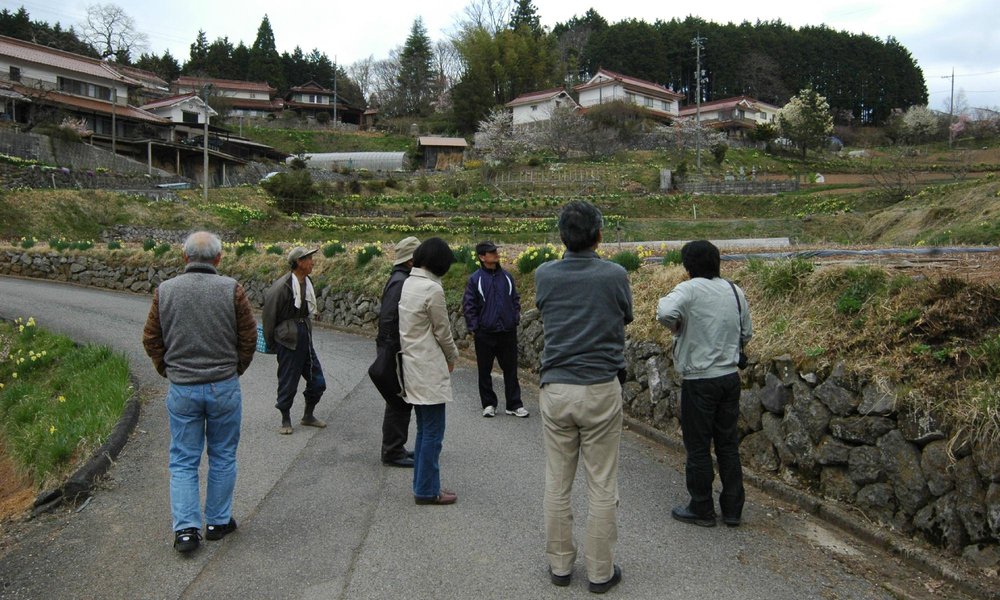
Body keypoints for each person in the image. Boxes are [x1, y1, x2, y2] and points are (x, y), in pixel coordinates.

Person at [534, 200, 633, 594]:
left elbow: (544, 309)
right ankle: (599, 573)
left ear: (562, 237)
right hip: (600, 388)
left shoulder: (544, 274)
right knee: (602, 483)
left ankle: (560, 567)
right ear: (599, 235)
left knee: (558, 481)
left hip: (556, 387)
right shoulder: (614, 274)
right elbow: (625, 315)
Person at [142, 231, 256, 553]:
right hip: (223, 386)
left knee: (183, 460)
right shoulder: (232, 290)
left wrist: (170, 370)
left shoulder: (164, 292)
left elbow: (151, 339)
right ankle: (218, 522)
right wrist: (234, 370)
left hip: (182, 388)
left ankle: (187, 530)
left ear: (184, 257)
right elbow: (248, 338)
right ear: (219, 259)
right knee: (222, 455)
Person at [656, 240, 753, 528]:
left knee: (698, 446)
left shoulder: (688, 289)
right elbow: (746, 333)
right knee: (727, 444)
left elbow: (664, 313)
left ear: (688, 266)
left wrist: (678, 327)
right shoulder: (735, 291)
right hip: (729, 379)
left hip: (699, 381)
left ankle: (702, 507)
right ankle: (733, 508)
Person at [398, 237, 460, 505]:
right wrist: (453, 356)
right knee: (433, 432)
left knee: (424, 430)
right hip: (428, 366)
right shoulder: (432, 289)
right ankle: (427, 490)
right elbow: (443, 331)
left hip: (412, 364)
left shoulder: (409, 283)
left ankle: (423, 485)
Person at [262, 246, 328, 435]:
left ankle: (308, 415)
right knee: (288, 381)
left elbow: (307, 308)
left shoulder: (307, 282)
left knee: (318, 381)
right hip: (288, 339)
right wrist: (272, 343)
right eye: (309, 258)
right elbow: (269, 316)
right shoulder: (282, 287)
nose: (312, 262)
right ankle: (285, 419)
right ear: (299, 262)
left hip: (304, 336)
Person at [370, 236, 420, 468]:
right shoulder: (401, 282)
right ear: (410, 261)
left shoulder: (399, 279)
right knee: (398, 400)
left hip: (392, 347)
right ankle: (392, 451)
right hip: (394, 349)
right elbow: (390, 319)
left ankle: (395, 447)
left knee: (398, 400)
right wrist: (393, 349)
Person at [462, 240, 526, 419]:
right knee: (484, 370)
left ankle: (514, 404)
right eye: (491, 252)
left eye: (495, 251)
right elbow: (469, 305)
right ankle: (489, 404)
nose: (496, 254)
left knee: (511, 370)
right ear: (482, 257)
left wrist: (514, 319)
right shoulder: (475, 279)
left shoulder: (507, 276)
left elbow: (515, 299)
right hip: (485, 333)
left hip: (507, 331)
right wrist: (476, 328)